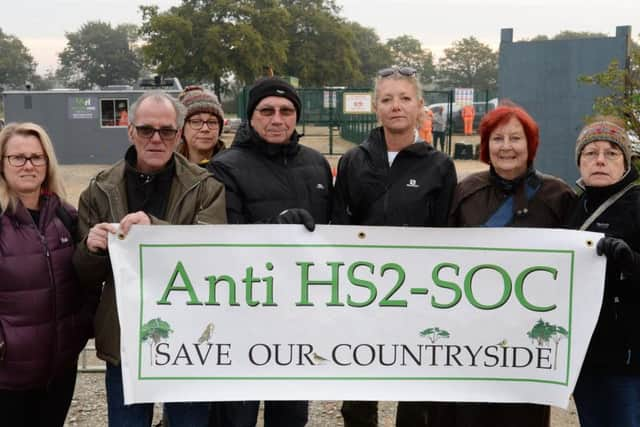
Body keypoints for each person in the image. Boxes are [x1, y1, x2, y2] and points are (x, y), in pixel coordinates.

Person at [73, 91, 227, 427]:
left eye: (166, 131)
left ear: (178, 133)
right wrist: (92, 248)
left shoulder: (206, 187)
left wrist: (153, 230)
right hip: (125, 337)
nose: (156, 138)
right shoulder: (100, 189)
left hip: (189, 339)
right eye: (146, 130)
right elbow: (84, 274)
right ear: (130, 131)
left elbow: (210, 254)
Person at [433, 103, 576, 427]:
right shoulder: (466, 190)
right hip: (470, 339)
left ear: (531, 145)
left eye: (516, 138)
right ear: (486, 145)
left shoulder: (558, 196)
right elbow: (441, 258)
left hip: (529, 345)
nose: (507, 147)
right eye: (498, 138)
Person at [333, 66, 457, 427]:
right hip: (363, 293)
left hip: (418, 295)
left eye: (404, 98)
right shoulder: (354, 160)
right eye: (387, 99)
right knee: (358, 390)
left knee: (416, 391)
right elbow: (340, 225)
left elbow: (445, 233)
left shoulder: (439, 166)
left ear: (419, 106)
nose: (395, 106)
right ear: (375, 107)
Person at [208, 77, 332, 427]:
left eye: (286, 111)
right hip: (245, 312)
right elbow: (224, 237)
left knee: (291, 414)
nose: (277, 119)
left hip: (299, 313)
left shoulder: (316, 163)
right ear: (251, 116)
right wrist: (274, 226)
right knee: (237, 415)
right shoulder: (226, 165)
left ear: (296, 116)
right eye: (267, 111)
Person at [0, 122, 96, 427]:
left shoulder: (66, 216)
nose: (28, 165)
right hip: (7, 377)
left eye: (36, 157)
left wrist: (81, 326)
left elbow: (86, 279)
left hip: (57, 371)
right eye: (17, 157)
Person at [568, 117, 640, 427]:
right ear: (580, 162)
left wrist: (631, 261)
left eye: (611, 153)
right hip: (585, 355)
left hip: (627, 358)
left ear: (625, 162)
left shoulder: (637, 205)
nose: (600, 160)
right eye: (591, 153)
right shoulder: (573, 207)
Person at [177, 85, 226, 168]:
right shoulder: (167, 169)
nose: (205, 129)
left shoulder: (232, 168)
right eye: (196, 122)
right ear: (182, 128)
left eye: (212, 122)